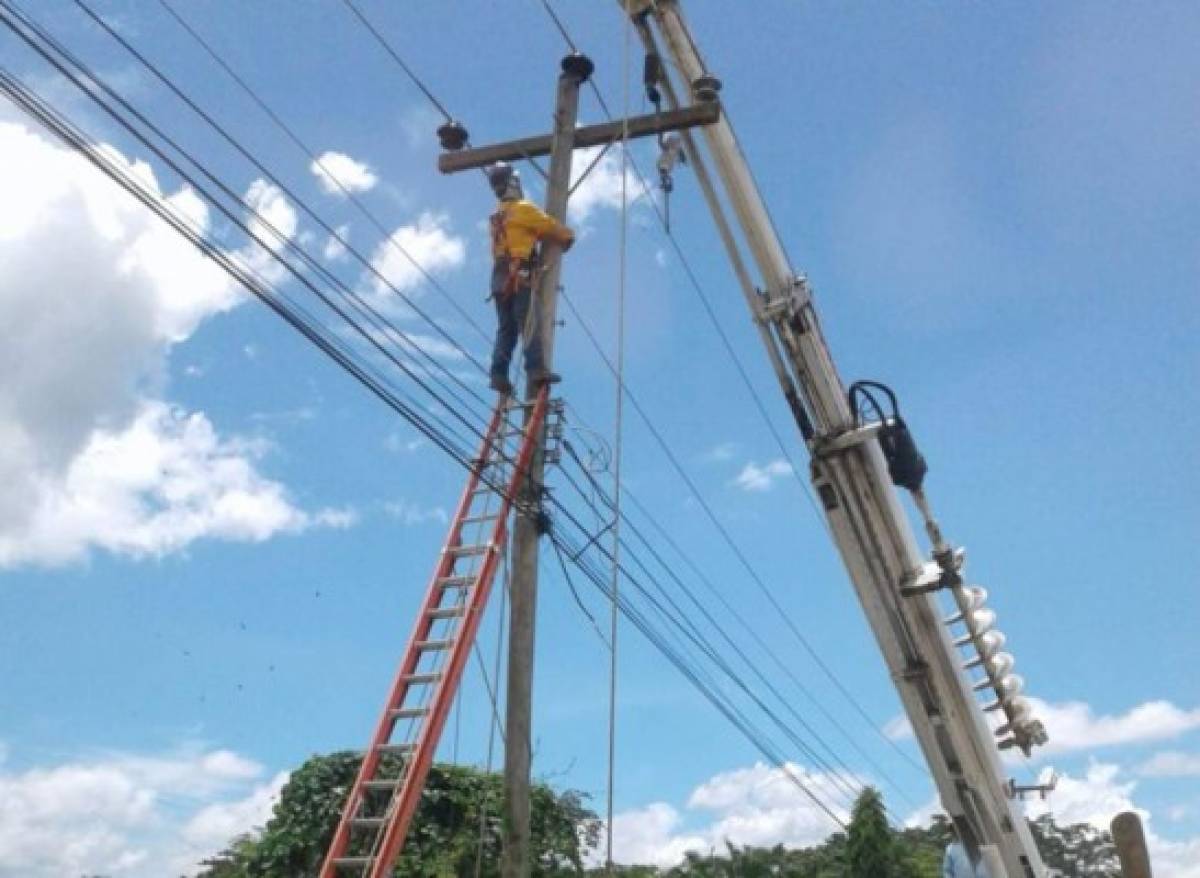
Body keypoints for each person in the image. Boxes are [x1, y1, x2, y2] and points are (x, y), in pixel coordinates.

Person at [485, 162, 575, 395]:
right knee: (529, 323)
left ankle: (498, 374)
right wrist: (568, 237)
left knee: (506, 329)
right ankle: (536, 370)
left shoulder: (497, 215)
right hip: (519, 273)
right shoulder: (523, 209)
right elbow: (550, 226)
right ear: (512, 183)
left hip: (498, 277)